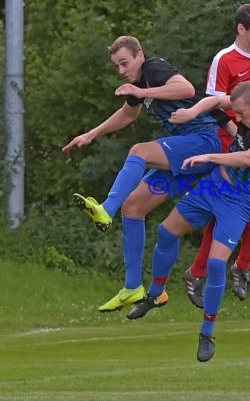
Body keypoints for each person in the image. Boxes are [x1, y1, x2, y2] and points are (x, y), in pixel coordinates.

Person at [127, 81, 250, 363]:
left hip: (239, 201)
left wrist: (210, 156)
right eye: (235, 112)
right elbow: (213, 102)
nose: (237, 120)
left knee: (215, 264)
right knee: (165, 232)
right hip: (213, 187)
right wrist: (192, 113)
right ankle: (155, 294)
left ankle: (207, 331)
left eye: (241, 114)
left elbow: (249, 157)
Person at [62, 36, 223, 313]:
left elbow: (184, 88)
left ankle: (105, 210)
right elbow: (127, 115)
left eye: (125, 63)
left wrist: (144, 93)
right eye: (117, 66)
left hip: (202, 142)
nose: (122, 71)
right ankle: (132, 287)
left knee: (139, 151)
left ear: (140, 56)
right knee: (133, 208)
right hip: (185, 160)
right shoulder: (137, 84)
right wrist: (92, 134)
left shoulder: (154, 69)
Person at [183, 3, 250, 307]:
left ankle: (237, 268)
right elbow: (213, 105)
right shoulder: (224, 60)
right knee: (237, 204)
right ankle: (209, 271)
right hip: (231, 140)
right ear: (241, 29)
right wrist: (239, 137)